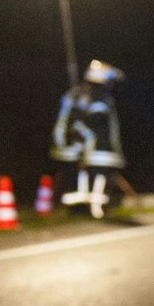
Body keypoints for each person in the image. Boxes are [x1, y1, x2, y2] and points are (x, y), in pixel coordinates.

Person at [74, 60, 125, 218]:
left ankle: (89, 208)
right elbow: (89, 124)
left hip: (93, 148)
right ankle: (96, 209)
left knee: (92, 175)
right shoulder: (100, 99)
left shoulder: (87, 97)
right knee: (100, 176)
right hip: (99, 148)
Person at [50, 77, 87, 208]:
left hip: (72, 152)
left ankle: (75, 205)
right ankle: (70, 206)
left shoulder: (74, 112)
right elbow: (61, 133)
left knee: (74, 180)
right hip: (68, 152)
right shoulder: (67, 113)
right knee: (68, 180)